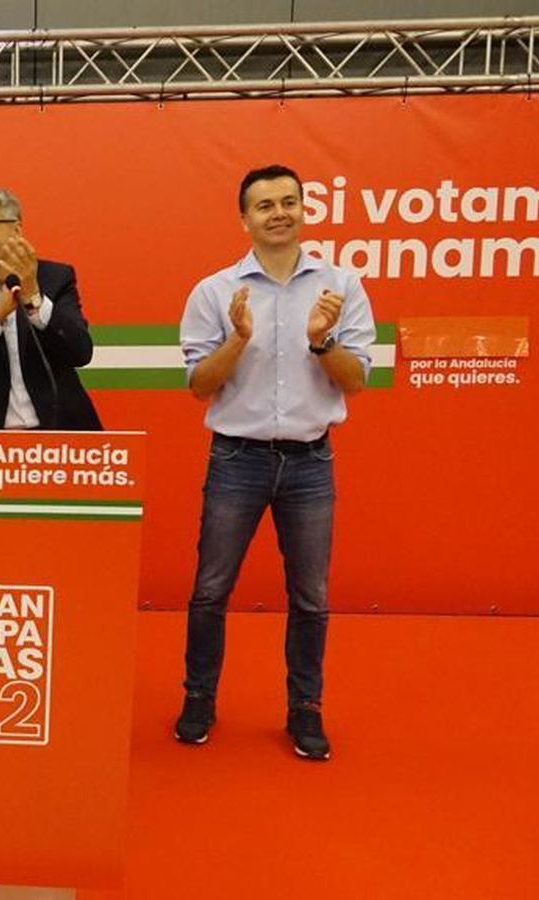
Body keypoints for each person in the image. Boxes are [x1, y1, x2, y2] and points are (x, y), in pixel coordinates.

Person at [173, 164, 376, 761]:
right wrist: (237, 338)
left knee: (310, 597)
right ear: (245, 219)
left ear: (305, 210)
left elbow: (356, 382)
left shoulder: (341, 285)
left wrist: (322, 339)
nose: (279, 213)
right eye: (265, 205)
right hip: (236, 459)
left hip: (311, 463)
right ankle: (198, 697)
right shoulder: (213, 291)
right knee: (210, 591)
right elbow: (198, 386)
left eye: (290, 201)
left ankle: (305, 709)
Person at [0, 187, 102, 430]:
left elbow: (80, 352)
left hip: (59, 436)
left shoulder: (56, 278)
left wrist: (33, 297)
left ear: (16, 228)